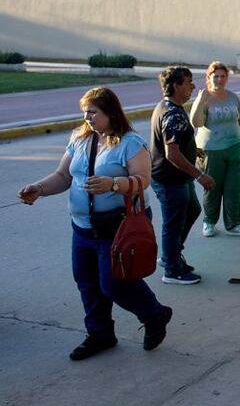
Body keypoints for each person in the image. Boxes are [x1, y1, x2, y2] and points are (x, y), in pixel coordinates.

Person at [18, 87, 173, 360]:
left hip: (117, 227)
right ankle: (99, 333)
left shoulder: (130, 142)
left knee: (114, 284)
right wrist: (39, 188)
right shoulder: (80, 139)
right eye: (85, 112)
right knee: (87, 282)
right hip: (83, 227)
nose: (88, 117)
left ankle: (154, 314)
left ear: (111, 112)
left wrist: (113, 184)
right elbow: (63, 176)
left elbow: (143, 180)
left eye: (93, 112)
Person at [150, 67, 215, 285]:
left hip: (178, 178)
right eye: (188, 82)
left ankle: (172, 254)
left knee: (192, 210)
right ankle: (172, 270)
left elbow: (175, 142)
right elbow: (172, 153)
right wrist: (200, 176)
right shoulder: (173, 113)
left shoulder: (169, 107)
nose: (193, 86)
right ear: (176, 85)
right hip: (170, 179)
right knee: (173, 222)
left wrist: (193, 148)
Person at [190, 61, 240, 238]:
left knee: (234, 188)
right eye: (215, 76)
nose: (219, 79)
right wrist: (201, 101)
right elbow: (196, 123)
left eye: (223, 76)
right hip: (211, 150)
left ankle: (233, 223)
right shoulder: (204, 97)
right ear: (208, 77)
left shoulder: (233, 97)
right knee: (212, 187)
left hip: (235, 146)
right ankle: (209, 222)